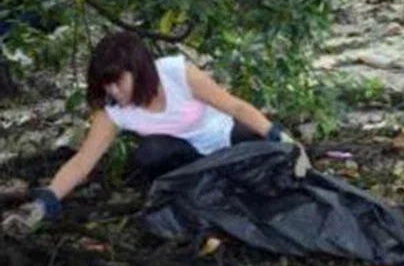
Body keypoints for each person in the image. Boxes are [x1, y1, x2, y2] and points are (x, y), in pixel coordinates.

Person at [1, 31, 310, 236]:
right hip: (184, 159)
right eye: (105, 83)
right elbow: (83, 162)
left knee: (268, 159)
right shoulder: (112, 110)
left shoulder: (177, 73)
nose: (112, 90)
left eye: (117, 81)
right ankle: (196, 199)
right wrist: (45, 203)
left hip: (224, 137)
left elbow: (235, 106)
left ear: (139, 71)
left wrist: (282, 139)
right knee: (149, 153)